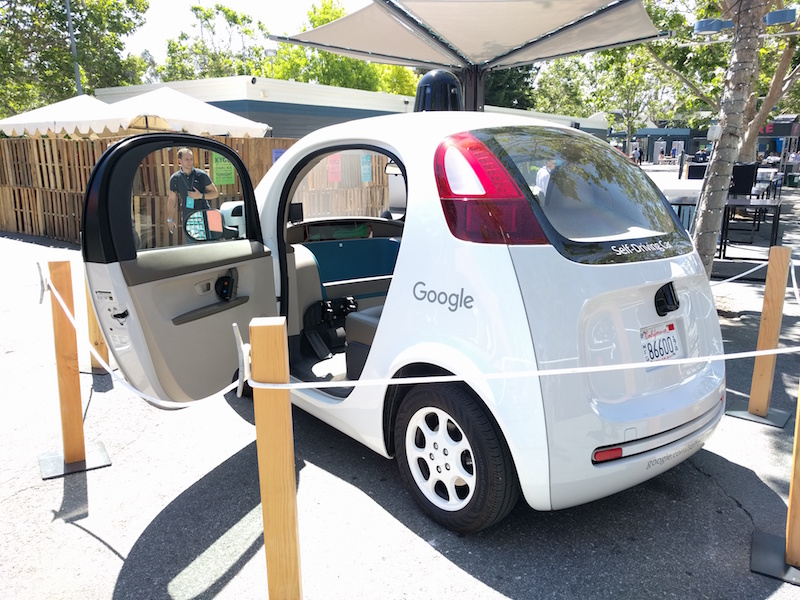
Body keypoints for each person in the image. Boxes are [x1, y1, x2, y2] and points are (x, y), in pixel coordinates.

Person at [167, 147, 219, 235]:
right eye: (186, 159)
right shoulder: (175, 178)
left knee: (209, 241)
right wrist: (170, 219)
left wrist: (201, 196)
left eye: (191, 159)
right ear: (180, 161)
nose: (190, 162)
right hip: (188, 216)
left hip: (204, 213)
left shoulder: (201, 175)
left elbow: (215, 193)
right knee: (192, 241)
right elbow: (172, 200)